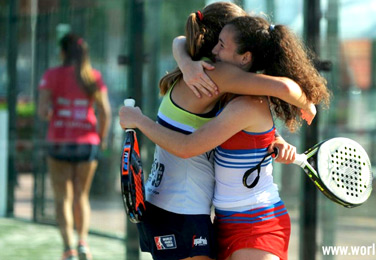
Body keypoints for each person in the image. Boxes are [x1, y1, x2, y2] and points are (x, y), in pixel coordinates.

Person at [119, 15, 330, 260]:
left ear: (245, 57)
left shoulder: (233, 90)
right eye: (216, 42)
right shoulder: (226, 89)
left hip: (255, 223)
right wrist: (186, 62)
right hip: (223, 222)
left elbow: (189, 146)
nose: (214, 51)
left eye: (222, 44)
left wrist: (307, 103)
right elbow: (180, 41)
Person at [37, 33, 111, 260]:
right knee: (81, 196)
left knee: (63, 197)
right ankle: (83, 244)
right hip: (86, 144)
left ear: (62, 52)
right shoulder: (93, 77)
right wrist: (101, 139)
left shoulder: (51, 75)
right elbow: (105, 113)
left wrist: (52, 113)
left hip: (59, 142)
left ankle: (68, 248)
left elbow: (42, 111)